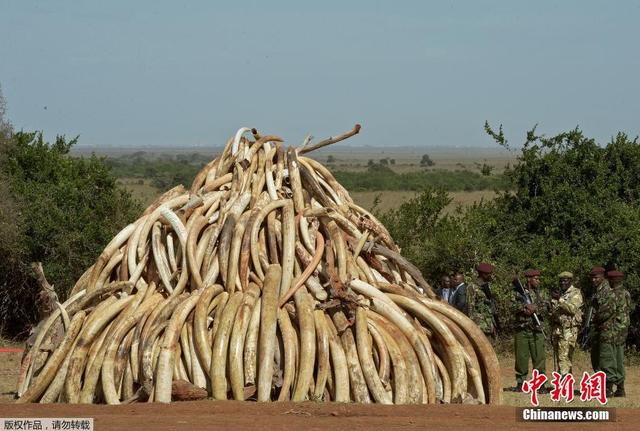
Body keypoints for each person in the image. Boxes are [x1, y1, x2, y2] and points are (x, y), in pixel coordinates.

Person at [597, 270, 632, 397]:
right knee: (619, 359)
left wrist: (595, 319)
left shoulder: (612, 295)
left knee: (607, 359)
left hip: (610, 331)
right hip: (622, 331)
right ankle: (621, 389)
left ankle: (608, 389)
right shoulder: (626, 293)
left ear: (612, 280)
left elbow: (606, 313)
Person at [512, 269, 548, 392]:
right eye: (536, 279)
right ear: (529, 279)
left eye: (538, 279)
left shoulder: (542, 293)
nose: (538, 281)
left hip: (537, 330)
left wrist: (535, 308)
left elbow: (547, 307)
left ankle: (541, 384)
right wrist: (523, 308)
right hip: (522, 329)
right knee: (521, 357)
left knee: (539, 357)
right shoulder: (517, 292)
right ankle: (521, 382)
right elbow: (511, 306)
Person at [550, 271, 583, 377]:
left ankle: (564, 382)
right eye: (561, 281)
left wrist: (559, 299)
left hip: (569, 330)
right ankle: (565, 379)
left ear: (570, 281)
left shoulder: (576, 293)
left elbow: (572, 309)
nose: (563, 283)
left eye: (565, 281)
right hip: (557, 329)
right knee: (560, 356)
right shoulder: (560, 293)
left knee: (565, 357)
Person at [466, 263, 497, 337]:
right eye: (489, 274)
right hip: (479, 326)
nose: (491, 276)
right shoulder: (472, 287)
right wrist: (472, 327)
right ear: (483, 274)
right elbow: (470, 308)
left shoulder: (487, 286)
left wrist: (493, 324)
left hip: (489, 325)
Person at [588, 266, 608, 373]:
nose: (593, 280)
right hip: (596, 327)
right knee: (595, 355)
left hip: (604, 327)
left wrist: (596, 319)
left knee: (603, 357)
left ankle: (604, 383)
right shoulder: (596, 290)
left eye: (596, 278)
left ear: (602, 277)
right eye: (592, 278)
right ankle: (598, 380)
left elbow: (606, 311)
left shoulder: (606, 290)